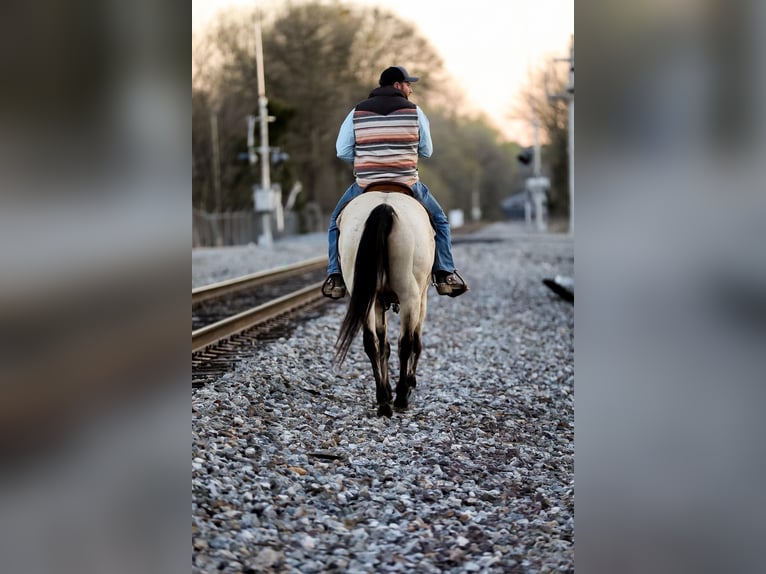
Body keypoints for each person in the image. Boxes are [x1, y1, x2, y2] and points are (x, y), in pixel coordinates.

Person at [322, 65, 469, 299]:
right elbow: (427, 150)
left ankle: (335, 276)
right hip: (407, 182)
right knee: (440, 221)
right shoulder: (415, 112)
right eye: (409, 84)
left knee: (334, 223)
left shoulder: (356, 112)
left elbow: (342, 150)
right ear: (398, 85)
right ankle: (444, 272)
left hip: (366, 183)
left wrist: (366, 159)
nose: (411, 89)